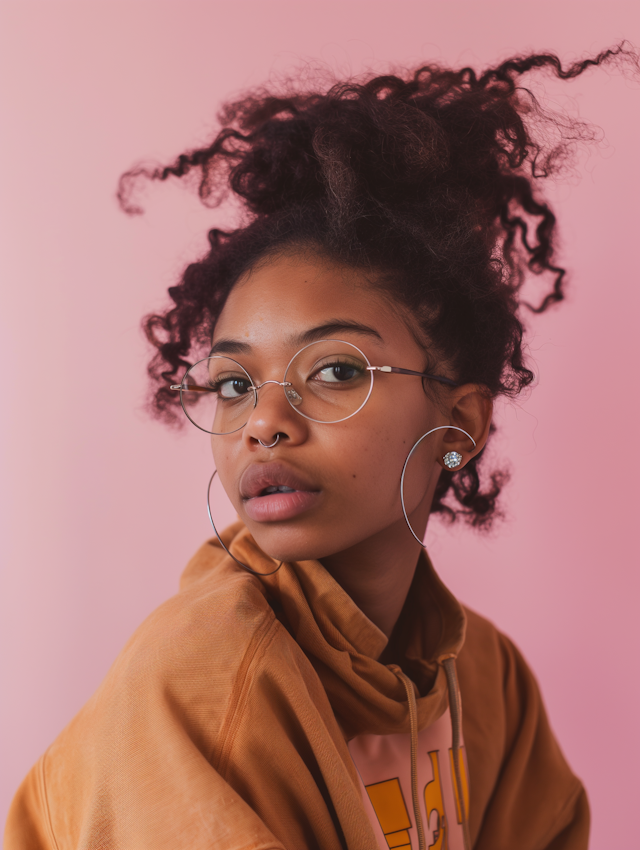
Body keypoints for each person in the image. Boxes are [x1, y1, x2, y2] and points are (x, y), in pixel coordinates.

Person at [6, 43, 633, 850]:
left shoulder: (486, 679)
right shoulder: (200, 684)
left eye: (335, 369)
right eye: (234, 385)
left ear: (461, 426)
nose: (264, 421)